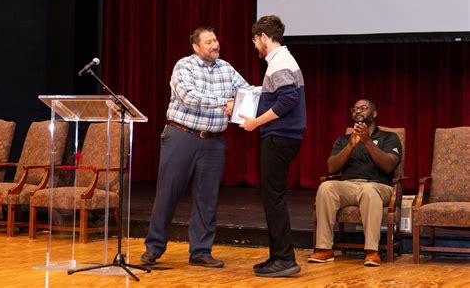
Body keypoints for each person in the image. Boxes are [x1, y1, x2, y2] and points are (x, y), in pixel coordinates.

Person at [141, 26, 252, 268]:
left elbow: (246, 91)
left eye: (216, 40)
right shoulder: (184, 66)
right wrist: (225, 102)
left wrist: (249, 100)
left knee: (207, 198)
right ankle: (153, 248)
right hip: (182, 137)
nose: (215, 45)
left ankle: (201, 251)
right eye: (209, 41)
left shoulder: (227, 68)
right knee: (167, 195)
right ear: (196, 47)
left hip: (214, 142)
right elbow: (189, 96)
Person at [240, 15, 306, 277]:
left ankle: (284, 259)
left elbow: (287, 100)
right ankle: (278, 256)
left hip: (279, 136)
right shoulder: (281, 60)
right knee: (272, 197)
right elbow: (276, 98)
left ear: (264, 37)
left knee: (273, 198)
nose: (255, 46)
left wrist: (256, 122)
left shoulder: (279, 62)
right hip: (284, 135)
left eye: (255, 41)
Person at [308, 99, 402, 267]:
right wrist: (351, 146)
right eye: (355, 109)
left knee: (369, 191)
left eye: (364, 108)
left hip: (379, 186)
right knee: (326, 187)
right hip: (349, 185)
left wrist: (366, 141)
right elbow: (331, 167)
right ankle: (324, 248)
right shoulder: (343, 140)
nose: (358, 111)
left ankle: (372, 251)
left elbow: (388, 166)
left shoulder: (389, 137)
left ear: (374, 114)